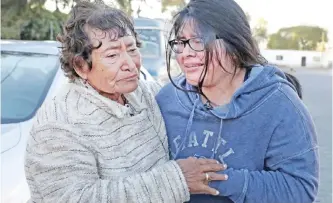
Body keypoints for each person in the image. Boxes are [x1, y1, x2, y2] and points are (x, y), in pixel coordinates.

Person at [24, 1, 228, 202]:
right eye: (112, 54)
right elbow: (74, 198)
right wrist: (176, 180)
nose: (130, 64)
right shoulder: (59, 123)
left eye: (131, 49)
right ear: (80, 66)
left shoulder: (143, 93)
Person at [156, 0, 319, 202]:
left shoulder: (280, 105)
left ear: (234, 46)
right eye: (180, 42)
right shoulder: (167, 99)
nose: (186, 53)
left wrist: (215, 180)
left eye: (198, 41)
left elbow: (299, 189)